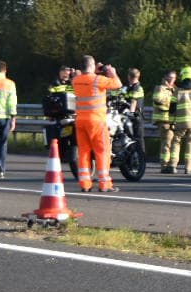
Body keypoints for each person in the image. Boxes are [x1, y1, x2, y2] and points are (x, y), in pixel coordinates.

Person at [72, 56, 122, 192]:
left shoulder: (76, 80)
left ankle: (85, 184)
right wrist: (111, 72)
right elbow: (117, 84)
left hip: (80, 121)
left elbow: (86, 78)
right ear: (92, 65)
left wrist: (97, 70)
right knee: (102, 151)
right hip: (96, 121)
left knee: (83, 152)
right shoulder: (98, 80)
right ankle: (104, 184)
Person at [42, 65, 77, 181]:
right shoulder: (54, 84)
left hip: (74, 115)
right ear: (60, 72)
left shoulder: (73, 83)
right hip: (60, 116)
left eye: (68, 71)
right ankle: (59, 165)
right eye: (64, 71)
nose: (66, 73)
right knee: (58, 142)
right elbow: (49, 98)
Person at [153, 70, 178, 174]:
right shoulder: (160, 88)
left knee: (174, 143)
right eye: (169, 77)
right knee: (167, 142)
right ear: (165, 77)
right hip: (164, 120)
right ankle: (164, 165)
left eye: (173, 77)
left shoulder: (176, 89)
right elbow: (158, 100)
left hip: (174, 120)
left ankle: (171, 164)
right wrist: (172, 104)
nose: (171, 79)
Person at [122, 67, 145, 142]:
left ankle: (139, 151)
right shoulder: (127, 87)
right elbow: (119, 94)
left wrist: (130, 113)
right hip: (128, 116)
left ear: (129, 76)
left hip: (136, 117)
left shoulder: (138, 88)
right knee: (129, 138)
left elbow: (133, 101)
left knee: (138, 139)